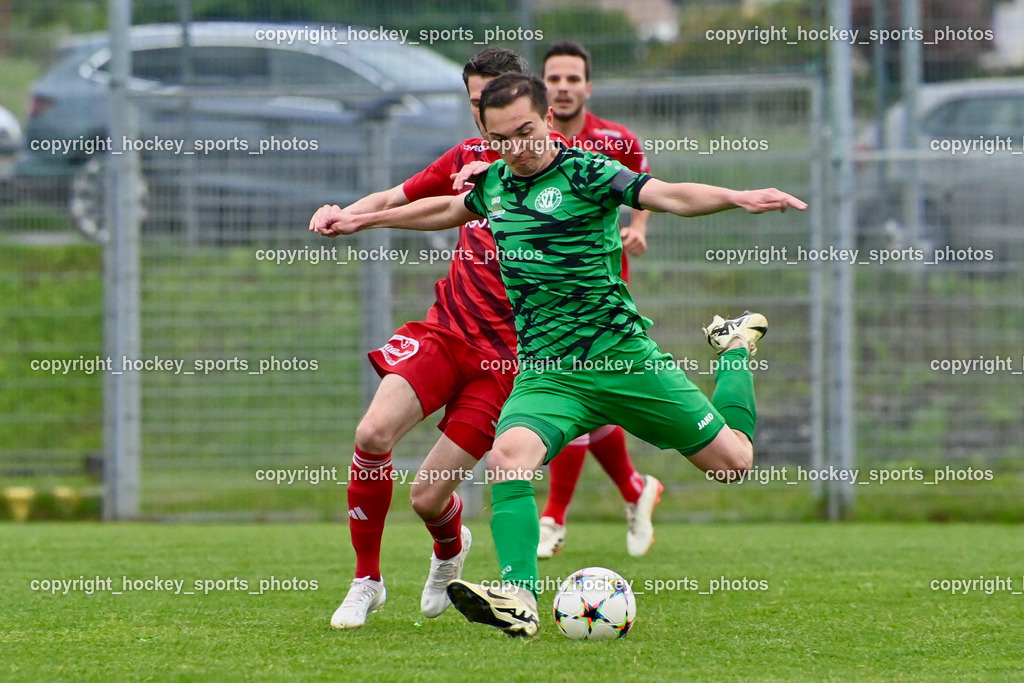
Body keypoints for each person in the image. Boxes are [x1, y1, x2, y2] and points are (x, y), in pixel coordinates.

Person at [309, 73, 806, 638]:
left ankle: (735, 347)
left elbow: (668, 195)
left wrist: (736, 197)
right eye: (500, 139)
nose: (515, 148)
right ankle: (519, 595)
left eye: (525, 131)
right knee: (507, 458)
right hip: (548, 372)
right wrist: (362, 219)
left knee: (733, 464)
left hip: (622, 359)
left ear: (548, 119)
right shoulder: (494, 185)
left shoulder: (588, 172)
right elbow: (445, 210)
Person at [308, 46, 530, 630]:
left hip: (504, 363)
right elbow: (397, 198)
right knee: (371, 433)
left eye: (492, 99)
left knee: (427, 497)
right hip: (445, 333)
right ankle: (367, 581)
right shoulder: (467, 156)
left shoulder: (558, 171)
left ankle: (450, 550)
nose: (482, 112)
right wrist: (347, 214)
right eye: (475, 101)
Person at [537, 40, 660, 559]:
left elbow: (644, 185)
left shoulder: (615, 140)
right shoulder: (526, 143)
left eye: (573, 79)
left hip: (601, 296)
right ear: (541, 86)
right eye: (554, 78)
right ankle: (634, 489)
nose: (563, 87)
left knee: (574, 394)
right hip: (543, 298)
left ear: (588, 87)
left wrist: (639, 228)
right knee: (591, 403)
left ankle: (552, 517)